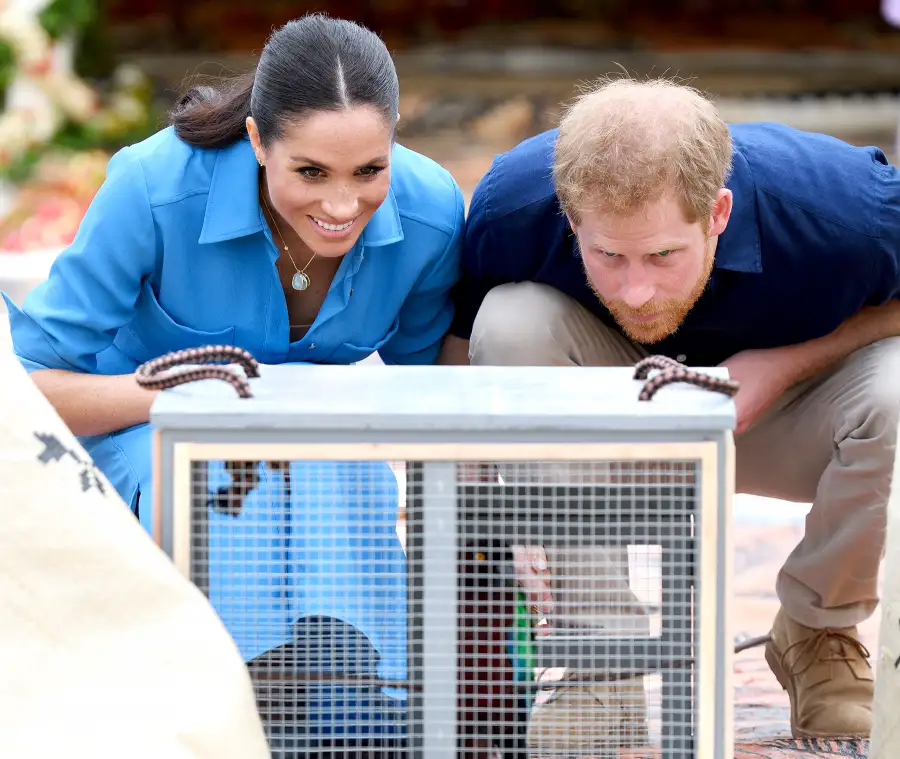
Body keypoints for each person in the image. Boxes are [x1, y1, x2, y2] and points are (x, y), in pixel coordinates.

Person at [3, 13, 464, 749]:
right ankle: (221, 709)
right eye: (310, 172)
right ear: (256, 140)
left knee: (331, 444)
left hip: (324, 480)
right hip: (149, 447)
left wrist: (495, 540)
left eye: (369, 171)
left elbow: (444, 394)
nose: (342, 206)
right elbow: (26, 388)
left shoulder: (433, 210)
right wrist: (170, 395)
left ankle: (355, 709)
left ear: (395, 140)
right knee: (225, 450)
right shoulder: (151, 188)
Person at [443, 76, 900, 748]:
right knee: (509, 320)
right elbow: (459, 356)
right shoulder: (510, 204)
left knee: (895, 388)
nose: (637, 289)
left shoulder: (846, 210)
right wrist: (488, 508)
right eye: (608, 255)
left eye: (662, 255)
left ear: (717, 213)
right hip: (605, 403)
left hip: (783, 416)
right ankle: (604, 660)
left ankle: (818, 632)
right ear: (571, 218)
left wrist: (777, 366)